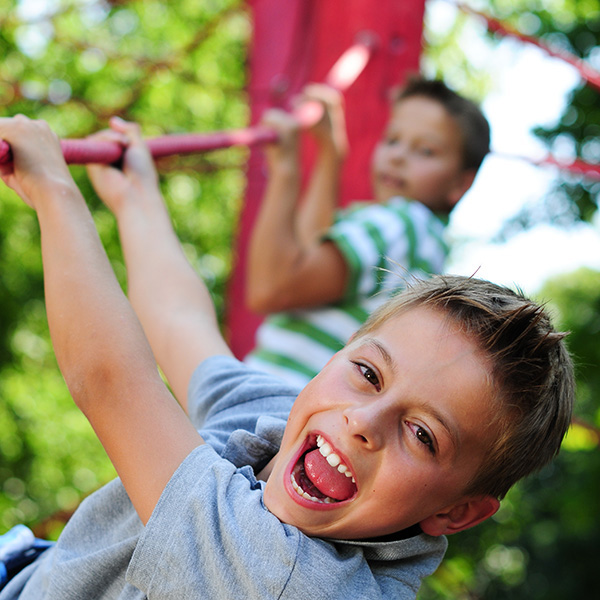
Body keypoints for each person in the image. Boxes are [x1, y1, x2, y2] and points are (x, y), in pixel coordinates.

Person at [0, 115, 574, 600]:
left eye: (423, 435)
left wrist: (54, 189)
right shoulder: (280, 420)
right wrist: (137, 200)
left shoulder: (291, 582)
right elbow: (181, 325)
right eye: (369, 374)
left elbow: (112, 384)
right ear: (340, 354)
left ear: (458, 512)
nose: (363, 422)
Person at [244, 78, 491, 388]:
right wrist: (329, 156)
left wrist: (285, 171)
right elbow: (308, 254)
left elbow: (271, 287)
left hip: (273, 392)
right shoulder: (422, 243)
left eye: (425, 150)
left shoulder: (403, 223)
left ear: (460, 184)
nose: (398, 156)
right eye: (392, 139)